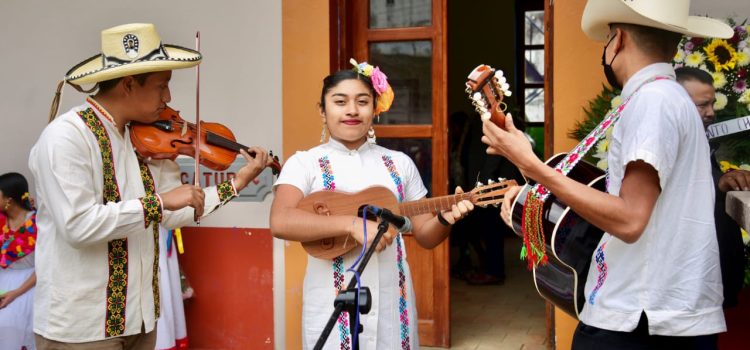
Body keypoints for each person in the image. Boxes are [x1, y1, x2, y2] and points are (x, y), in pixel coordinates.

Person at [484, 0, 733, 348]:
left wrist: (533, 168)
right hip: (654, 315)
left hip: (641, 319)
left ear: (617, 41)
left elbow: (630, 219)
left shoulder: (654, 101)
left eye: (606, 42)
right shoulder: (664, 97)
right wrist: (531, 200)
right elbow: (622, 201)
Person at [28, 23, 271, 349]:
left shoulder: (145, 139)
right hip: (82, 328)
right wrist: (158, 202)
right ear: (128, 84)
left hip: (141, 318)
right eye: (162, 86)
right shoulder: (67, 137)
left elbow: (176, 211)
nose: (168, 97)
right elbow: (78, 226)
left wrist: (237, 182)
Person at [270, 61, 474, 349]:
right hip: (331, 302)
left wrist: (445, 219)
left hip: (393, 302)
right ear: (322, 110)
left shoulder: (399, 164)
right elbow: (281, 221)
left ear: (374, 109)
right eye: (340, 102)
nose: (352, 110)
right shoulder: (305, 163)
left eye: (362, 101)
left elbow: (426, 235)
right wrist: (351, 224)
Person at [676, 66, 750, 308]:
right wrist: (719, 182)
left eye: (712, 104)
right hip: (691, 284)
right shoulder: (669, 140)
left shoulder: (698, 134)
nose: (710, 113)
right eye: (702, 105)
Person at [0, 172, 37, 350]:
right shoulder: (1, 221)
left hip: (29, 287)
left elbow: (46, 265)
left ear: (9, 200)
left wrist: (16, 293)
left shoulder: (38, 223)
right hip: (2, 280)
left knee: (12, 328)